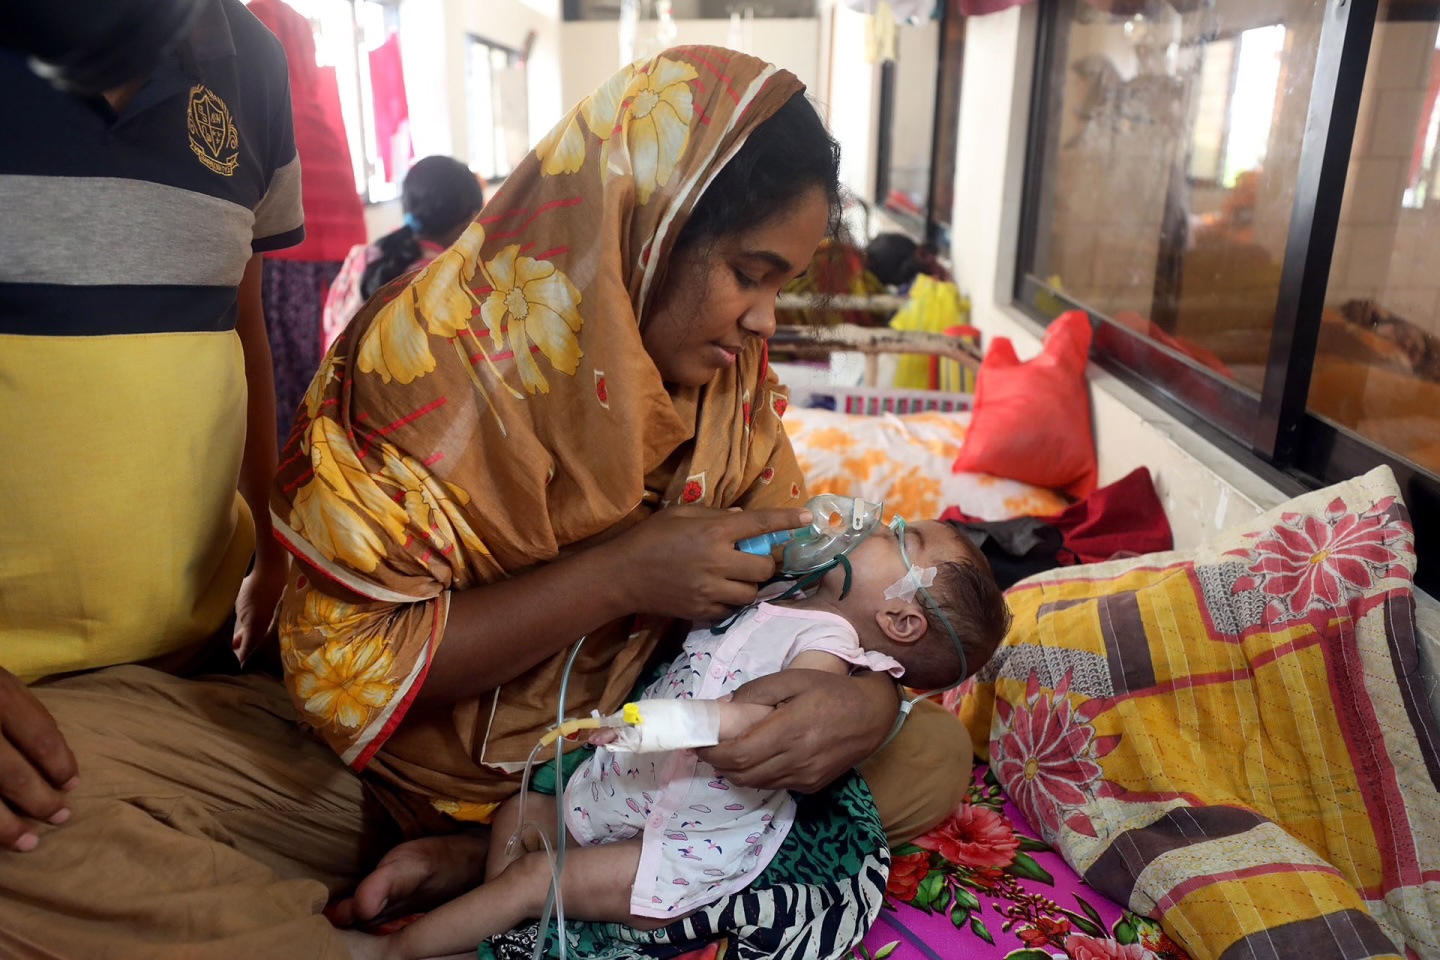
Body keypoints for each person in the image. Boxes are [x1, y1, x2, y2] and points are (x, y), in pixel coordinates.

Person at [275, 47, 978, 958]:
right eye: (749, 274)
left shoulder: (725, 384)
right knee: (85, 835)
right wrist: (621, 576)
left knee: (934, 756)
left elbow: (788, 594)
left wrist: (859, 709)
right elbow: (355, 663)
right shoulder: (427, 366)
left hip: (625, 758)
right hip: (395, 769)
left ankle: (496, 855)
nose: (766, 321)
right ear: (642, 231)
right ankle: (484, 841)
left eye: (782, 287)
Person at [342, 516, 1010, 960]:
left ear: (898, 616)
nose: (872, 518)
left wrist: (664, 724)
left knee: (529, 876)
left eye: (900, 534)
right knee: (522, 811)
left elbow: (760, 719)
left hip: (684, 843)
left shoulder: (824, 645)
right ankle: (515, 938)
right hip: (631, 791)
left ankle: (397, 951)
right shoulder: (788, 595)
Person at [249, 0, 368, 447]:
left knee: (280, 367)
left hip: (283, 261)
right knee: (332, 361)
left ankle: (291, 461)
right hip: (337, 266)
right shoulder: (321, 119)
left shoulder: (265, 120)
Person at [321, 155, 484, 350]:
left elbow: (330, 325)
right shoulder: (443, 278)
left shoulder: (361, 256)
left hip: (334, 377)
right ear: (471, 220)